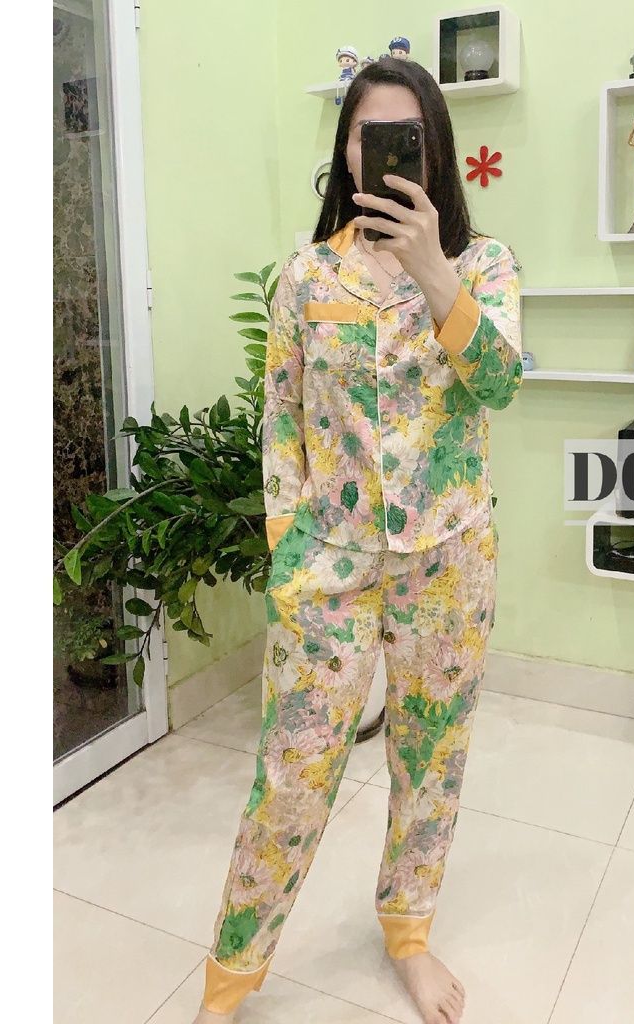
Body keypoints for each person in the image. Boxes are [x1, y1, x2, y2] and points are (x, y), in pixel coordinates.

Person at [193, 56, 522, 1024]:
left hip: (449, 560)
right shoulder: (307, 275)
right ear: (345, 152)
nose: (384, 152)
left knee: (430, 760)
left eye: (405, 136)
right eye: (368, 135)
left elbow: (501, 383)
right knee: (292, 775)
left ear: (434, 149)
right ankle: (228, 980)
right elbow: (281, 417)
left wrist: (432, 270)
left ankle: (408, 935)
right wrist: (287, 547)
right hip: (328, 562)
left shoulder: (484, 264)